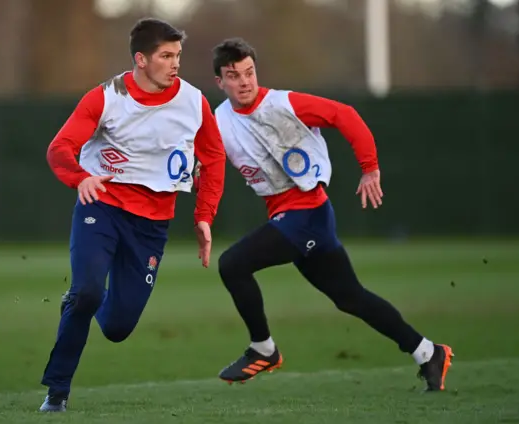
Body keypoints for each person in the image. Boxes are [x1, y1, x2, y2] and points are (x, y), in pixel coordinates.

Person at [204, 37, 453, 391]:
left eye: (249, 72)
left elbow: (344, 115)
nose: (244, 81)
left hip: (307, 212)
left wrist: (370, 167)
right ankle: (428, 352)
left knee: (232, 264)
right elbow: (208, 159)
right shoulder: (221, 120)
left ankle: (264, 349)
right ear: (220, 82)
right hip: (293, 216)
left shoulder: (283, 103)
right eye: (233, 75)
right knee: (350, 297)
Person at [39, 18, 226, 412]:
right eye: (166, 56)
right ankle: (57, 391)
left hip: (152, 225)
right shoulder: (105, 97)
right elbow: (60, 148)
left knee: (118, 328)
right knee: (87, 291)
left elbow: (213, 159)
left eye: (178, 55)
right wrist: (79, 179)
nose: (175, 64)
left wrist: (204, 216)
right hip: (101, 209)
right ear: (141, 59)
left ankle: (79, 302)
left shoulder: (193, 102)